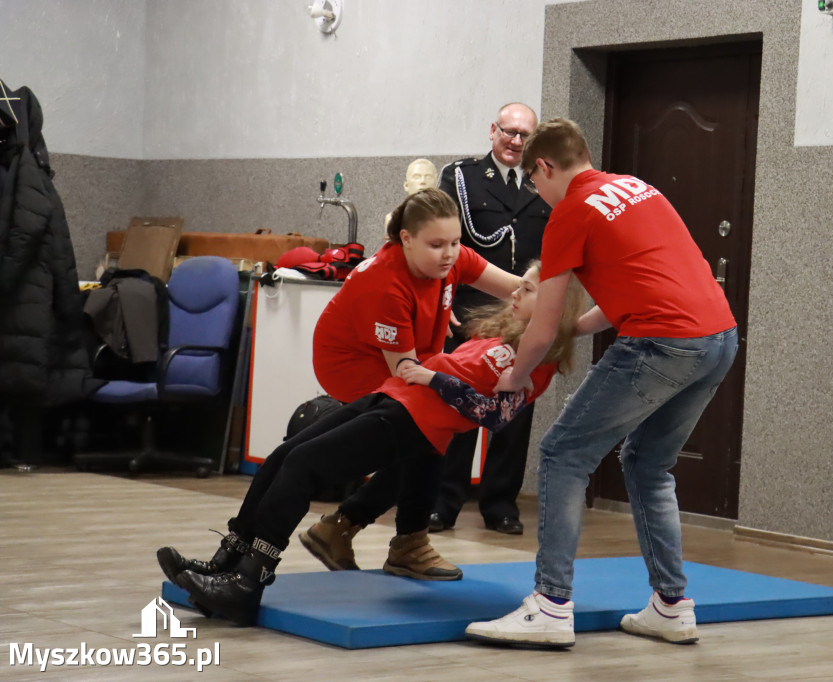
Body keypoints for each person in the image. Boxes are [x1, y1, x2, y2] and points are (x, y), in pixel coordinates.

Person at [157, 262, 586, 627]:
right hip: (394, 395)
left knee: (303, 466)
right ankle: (227, 560)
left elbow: (494, 416)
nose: (517, 290)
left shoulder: (537, 363)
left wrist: (435, 377)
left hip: (412, 420)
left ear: (551, 306)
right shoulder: (507, 335)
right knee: (285, 455)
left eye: (528, 289)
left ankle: (251, 579)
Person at [464, 118, 738, 649]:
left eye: (534, 182)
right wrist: (561, 334)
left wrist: (512, 380)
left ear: (545, 166)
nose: (538, 195)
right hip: (719, 340)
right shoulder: (638, 188)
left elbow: (541, 330)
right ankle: (672, 606)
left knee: (562, 453)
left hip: (662, 343)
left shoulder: (570, 211)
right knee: (646, 462)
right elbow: (619, 300)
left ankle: (549, 604)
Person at [157, 188, 518, 587]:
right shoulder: (386, 283)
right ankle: (260, 551)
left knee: (416, 436)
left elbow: (520, 289)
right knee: (417, 432)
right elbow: (406, 372)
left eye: (455, 243)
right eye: (437, 245)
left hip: (412, 365)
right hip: (356, 365)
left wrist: (560, 292)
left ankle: (341, 535)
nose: (449, 254)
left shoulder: (447, 258)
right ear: (406, 239)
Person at [431, 101, 550, 536]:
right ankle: (443, 502)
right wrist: (438, 305)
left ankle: (500, 504)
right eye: (508, 132)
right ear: (492, 131)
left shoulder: (546, 183)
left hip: (523, 314)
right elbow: (441, 244)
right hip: (470, 310)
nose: (515, 141)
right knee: (458, 400)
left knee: (515, 409)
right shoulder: (460, 178)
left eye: (524, 136)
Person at [384, 158, 438, 231]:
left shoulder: (448, 219)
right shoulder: (393, 219)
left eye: (428, 177)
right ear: (406, 185)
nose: (422, 181)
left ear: (436, 185)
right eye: (417, 177)